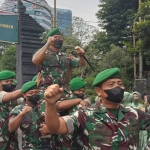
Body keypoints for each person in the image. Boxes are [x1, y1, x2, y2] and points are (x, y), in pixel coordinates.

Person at [45, 68, 150, 149]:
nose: (117, 87)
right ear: (99, 91)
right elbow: (56, 128)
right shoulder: (85, 115)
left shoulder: (135, 113)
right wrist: (50, 104)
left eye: (120, 84)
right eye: (111, 84)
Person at [32, 28, 86, 98]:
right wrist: (47, 44)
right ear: (50, 38)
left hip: (62, 90)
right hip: (46, 89)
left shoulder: (66, 56)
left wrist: (81, 55)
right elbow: (35, 60)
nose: (58, 39)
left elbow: (81, 64)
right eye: (56, 37)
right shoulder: (43, 53)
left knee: (78, 105)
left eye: (60, 37)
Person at [53, 78, 90, 150]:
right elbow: (60, 106)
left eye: (83, 91)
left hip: (81, 136)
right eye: (79, 91)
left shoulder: (84, 100)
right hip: (67, 138)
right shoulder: (68, 98)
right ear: (73, 91)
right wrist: (78, 100)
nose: (81, 93)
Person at [8, 81, 46, 150]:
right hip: (31, 147)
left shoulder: (44, 106)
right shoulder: (18, 109)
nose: (34, 94)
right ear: (24, 95)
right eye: (31, 93)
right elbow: (11, 128)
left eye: (36, 92)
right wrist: (22, 114)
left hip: (50, 145)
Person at [0, 70, 23, 149]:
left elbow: (25, 101)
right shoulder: (2, 95)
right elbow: (12, 95)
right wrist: (28, 87)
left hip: (11, 136)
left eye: (11, 81)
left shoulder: (14, 99)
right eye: (6, 81)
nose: (10, 83)